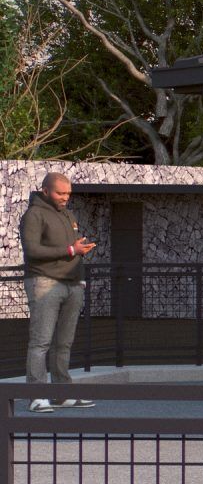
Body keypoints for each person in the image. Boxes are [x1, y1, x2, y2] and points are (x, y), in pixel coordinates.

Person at [20, 171, 100, 412]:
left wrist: (80, 278)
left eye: (68, 193)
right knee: (41, 342)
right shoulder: (34, 214)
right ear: (45, 191)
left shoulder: (68, 215)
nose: (65, 197)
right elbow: (32, 250)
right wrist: (70, 250)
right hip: (44, 283)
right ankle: (37, 396)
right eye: (60, 193)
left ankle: (62, 393)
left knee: (63, 342)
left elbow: (74, 250)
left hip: (72, 284)